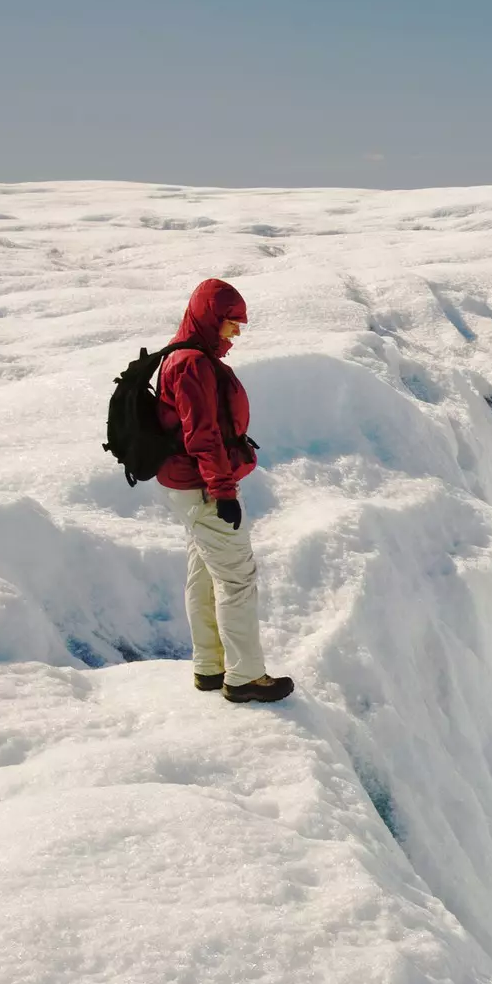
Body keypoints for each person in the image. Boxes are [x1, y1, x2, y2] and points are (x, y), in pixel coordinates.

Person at [157, 278, 294, 704]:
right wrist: (224, 491)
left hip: (189, 486)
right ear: (209, 319)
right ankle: (245, 677)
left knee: (203, 573)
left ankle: (210, 668)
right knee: (237, 579)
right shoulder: (192, 365)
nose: (235, 334)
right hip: (203, 487)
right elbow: (203, 436)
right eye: (230, 324)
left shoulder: (184, 357)